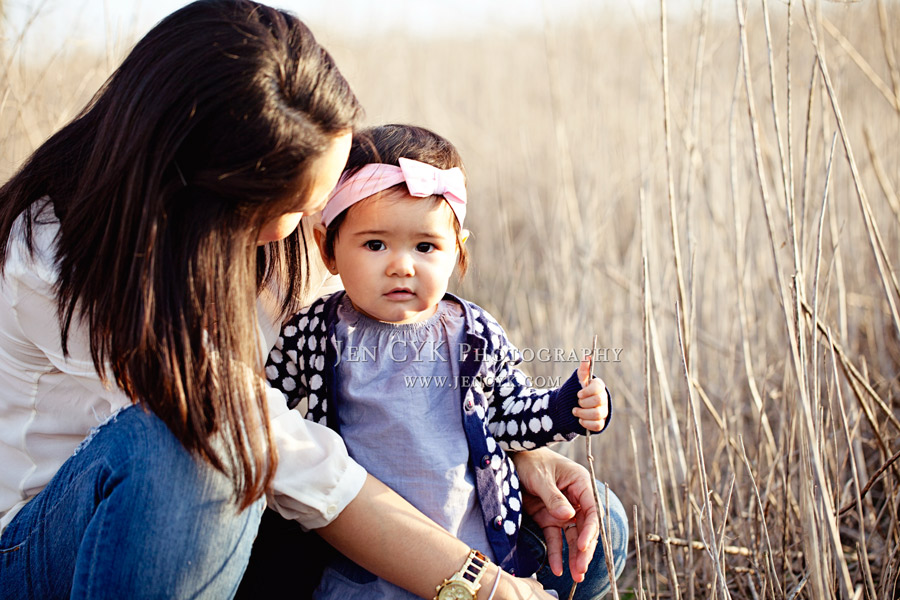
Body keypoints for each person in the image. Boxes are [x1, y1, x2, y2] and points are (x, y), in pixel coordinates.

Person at [0, 1, 606, 598]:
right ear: (216, 192)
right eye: (291, 205)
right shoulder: (57, 254)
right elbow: (288, 455)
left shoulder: (272, 237)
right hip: (60, 541)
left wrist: (507, 452)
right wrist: (480, 584)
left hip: (247, 517)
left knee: (588, 516)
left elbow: (380, 358)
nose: (305, 228)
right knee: (194, 458)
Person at [265, 124, 628, 599]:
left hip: (468, 545)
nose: (402, 265)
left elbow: (508, 412)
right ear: (328, 248)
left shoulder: (472, 335)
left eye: (425, 247)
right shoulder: (316, 331)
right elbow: (267, 406)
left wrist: (566, 407)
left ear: (458, 250)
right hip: (359, 562)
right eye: (375, 245)